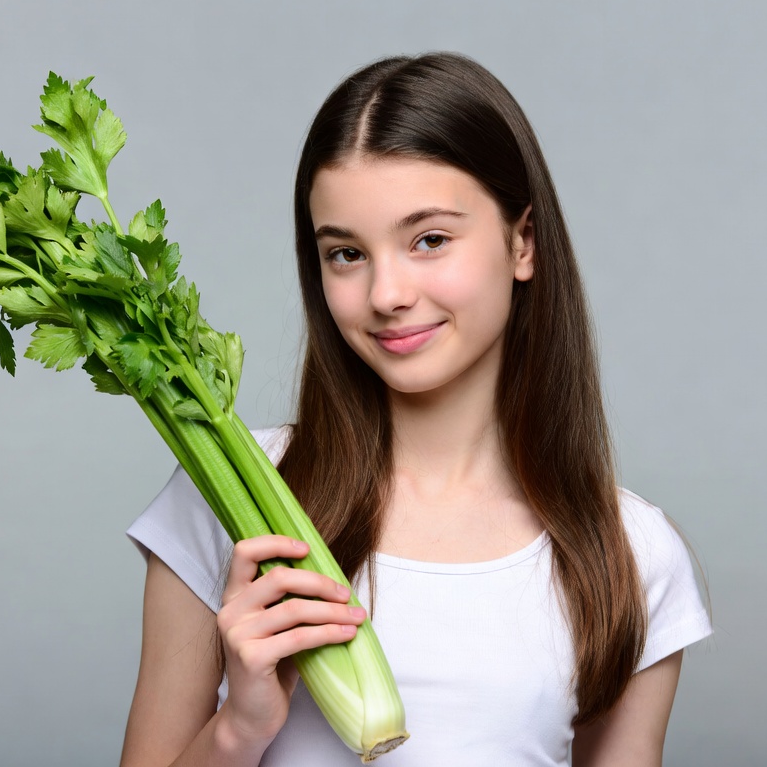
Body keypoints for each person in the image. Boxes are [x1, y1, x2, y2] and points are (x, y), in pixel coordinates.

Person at [120, 52, 712, 767]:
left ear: (522, 242)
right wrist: (238, 730)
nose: (386, 294)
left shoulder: (628, 555)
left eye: (429, 240)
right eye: (345, 254)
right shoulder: (234, 499)